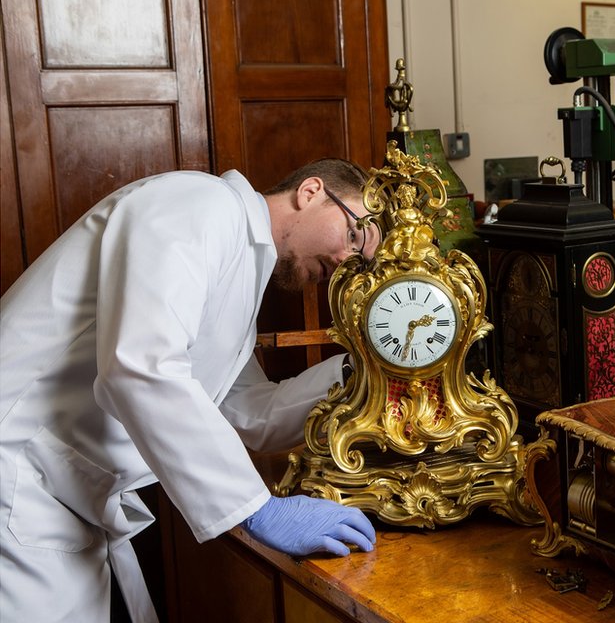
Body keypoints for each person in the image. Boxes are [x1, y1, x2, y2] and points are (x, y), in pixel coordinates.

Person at [0, 159, 381, 623]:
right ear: (311, 191)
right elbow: (141, 365)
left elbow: (247, 413)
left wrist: (360, 374)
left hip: (60, 495)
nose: (347, 261)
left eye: (360, 259)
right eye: (354, 235)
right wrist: (257, 510)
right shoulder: (198, 205)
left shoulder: (243, 265)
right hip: (17, 474)